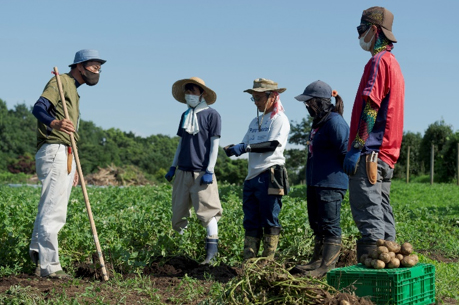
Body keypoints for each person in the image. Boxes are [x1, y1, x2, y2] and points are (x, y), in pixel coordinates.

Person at [29, 49, 106, 278]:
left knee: (49, 207)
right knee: (54, 210)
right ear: (80, 66)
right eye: (93, 66)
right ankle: (49, 267)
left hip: (65, 153)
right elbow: (38, 108)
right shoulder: (61, 81)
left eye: (99, 68)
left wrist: (73, 165)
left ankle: (38, 258)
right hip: (54, 149)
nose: (97, 71)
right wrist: (54, 122)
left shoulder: (74, 91)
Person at [343, 6, 405, 262]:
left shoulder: (378, 61)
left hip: (370, 154)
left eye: (361, 30)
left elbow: (372, 107)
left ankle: (372, 277)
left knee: (368, 213)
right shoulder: (394, 64)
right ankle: (390, 261)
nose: (358, 35)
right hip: (387, 155)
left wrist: (357, 147)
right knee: (382, 211)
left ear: (374, 30)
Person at [224, 78, 290, 261]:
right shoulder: (255, 122)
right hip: (252, 176)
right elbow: (246, 142)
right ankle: (250, 261)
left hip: (270, 174)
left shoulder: (280, 120)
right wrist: (234, 148)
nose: (256, 102)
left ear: (272, 97)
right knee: (251, 219)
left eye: (259, 98)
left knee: (270, 217)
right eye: (254, 98)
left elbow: (272, 144)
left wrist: (245, 148)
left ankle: (267, 261)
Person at [290, 80, 349, 278]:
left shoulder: (335, 122)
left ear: (322, 102)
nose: (307, 106)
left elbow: (344, 151)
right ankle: (316, 261)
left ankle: (327, 267)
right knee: (317, 224)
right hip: (315, 182)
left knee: (330, 225)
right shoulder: (319, 123)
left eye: (310, 102)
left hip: (331, 184)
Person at [165, 77, 223, 264]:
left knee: (207, 213)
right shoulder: (186, 115)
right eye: (187, 91)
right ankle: (182, 254)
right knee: (178, 214)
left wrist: (210, 170)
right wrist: (173, 166)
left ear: (202, 93)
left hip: (201, 172)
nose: (190, 94)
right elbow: (182, 143)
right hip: (183, 170)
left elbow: (215, 144)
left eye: (193, 91)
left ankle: (211, 255)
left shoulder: (212, 115)